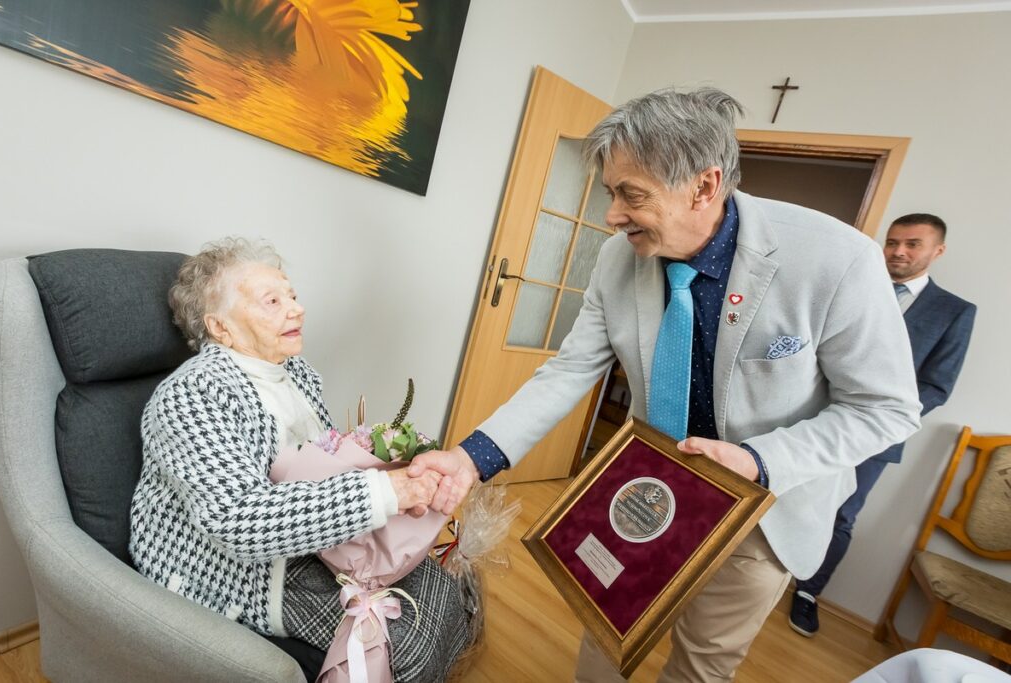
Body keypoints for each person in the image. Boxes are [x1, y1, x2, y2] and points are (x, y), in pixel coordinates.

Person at [409, 87, 922, 681]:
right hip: (647, 490)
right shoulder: (616, 260)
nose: (613, 215)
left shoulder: (837, 259)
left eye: (632, 195)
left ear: (704, 187)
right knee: (605, 629)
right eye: (611, 193)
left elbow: (886, 410)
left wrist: (758, 459)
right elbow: (570, 369)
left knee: (703, 663)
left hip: (766, 506)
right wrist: (472, 459)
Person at [129, 237, 469, 682]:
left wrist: (383, 464)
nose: (297, 309)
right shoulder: (191, 394)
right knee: (404, 633)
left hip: (311, 541)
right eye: (273, 301)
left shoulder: (298, 376)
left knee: (444, 590)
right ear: (221, 328)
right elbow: (238, 520)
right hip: (237, 569)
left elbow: (318, 462)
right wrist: (390, 491)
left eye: (291, 295)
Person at [789, 214, 976, 637]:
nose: (899, 252)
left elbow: (937, 385)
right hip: (809, 418)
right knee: (782, 492)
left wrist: (877, 418)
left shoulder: (955, 311)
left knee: (842, 515)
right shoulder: (852, 282)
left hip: (875, 438)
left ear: (937, 251)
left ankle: (807, 592)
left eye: (913, 244)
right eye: (892, 242)